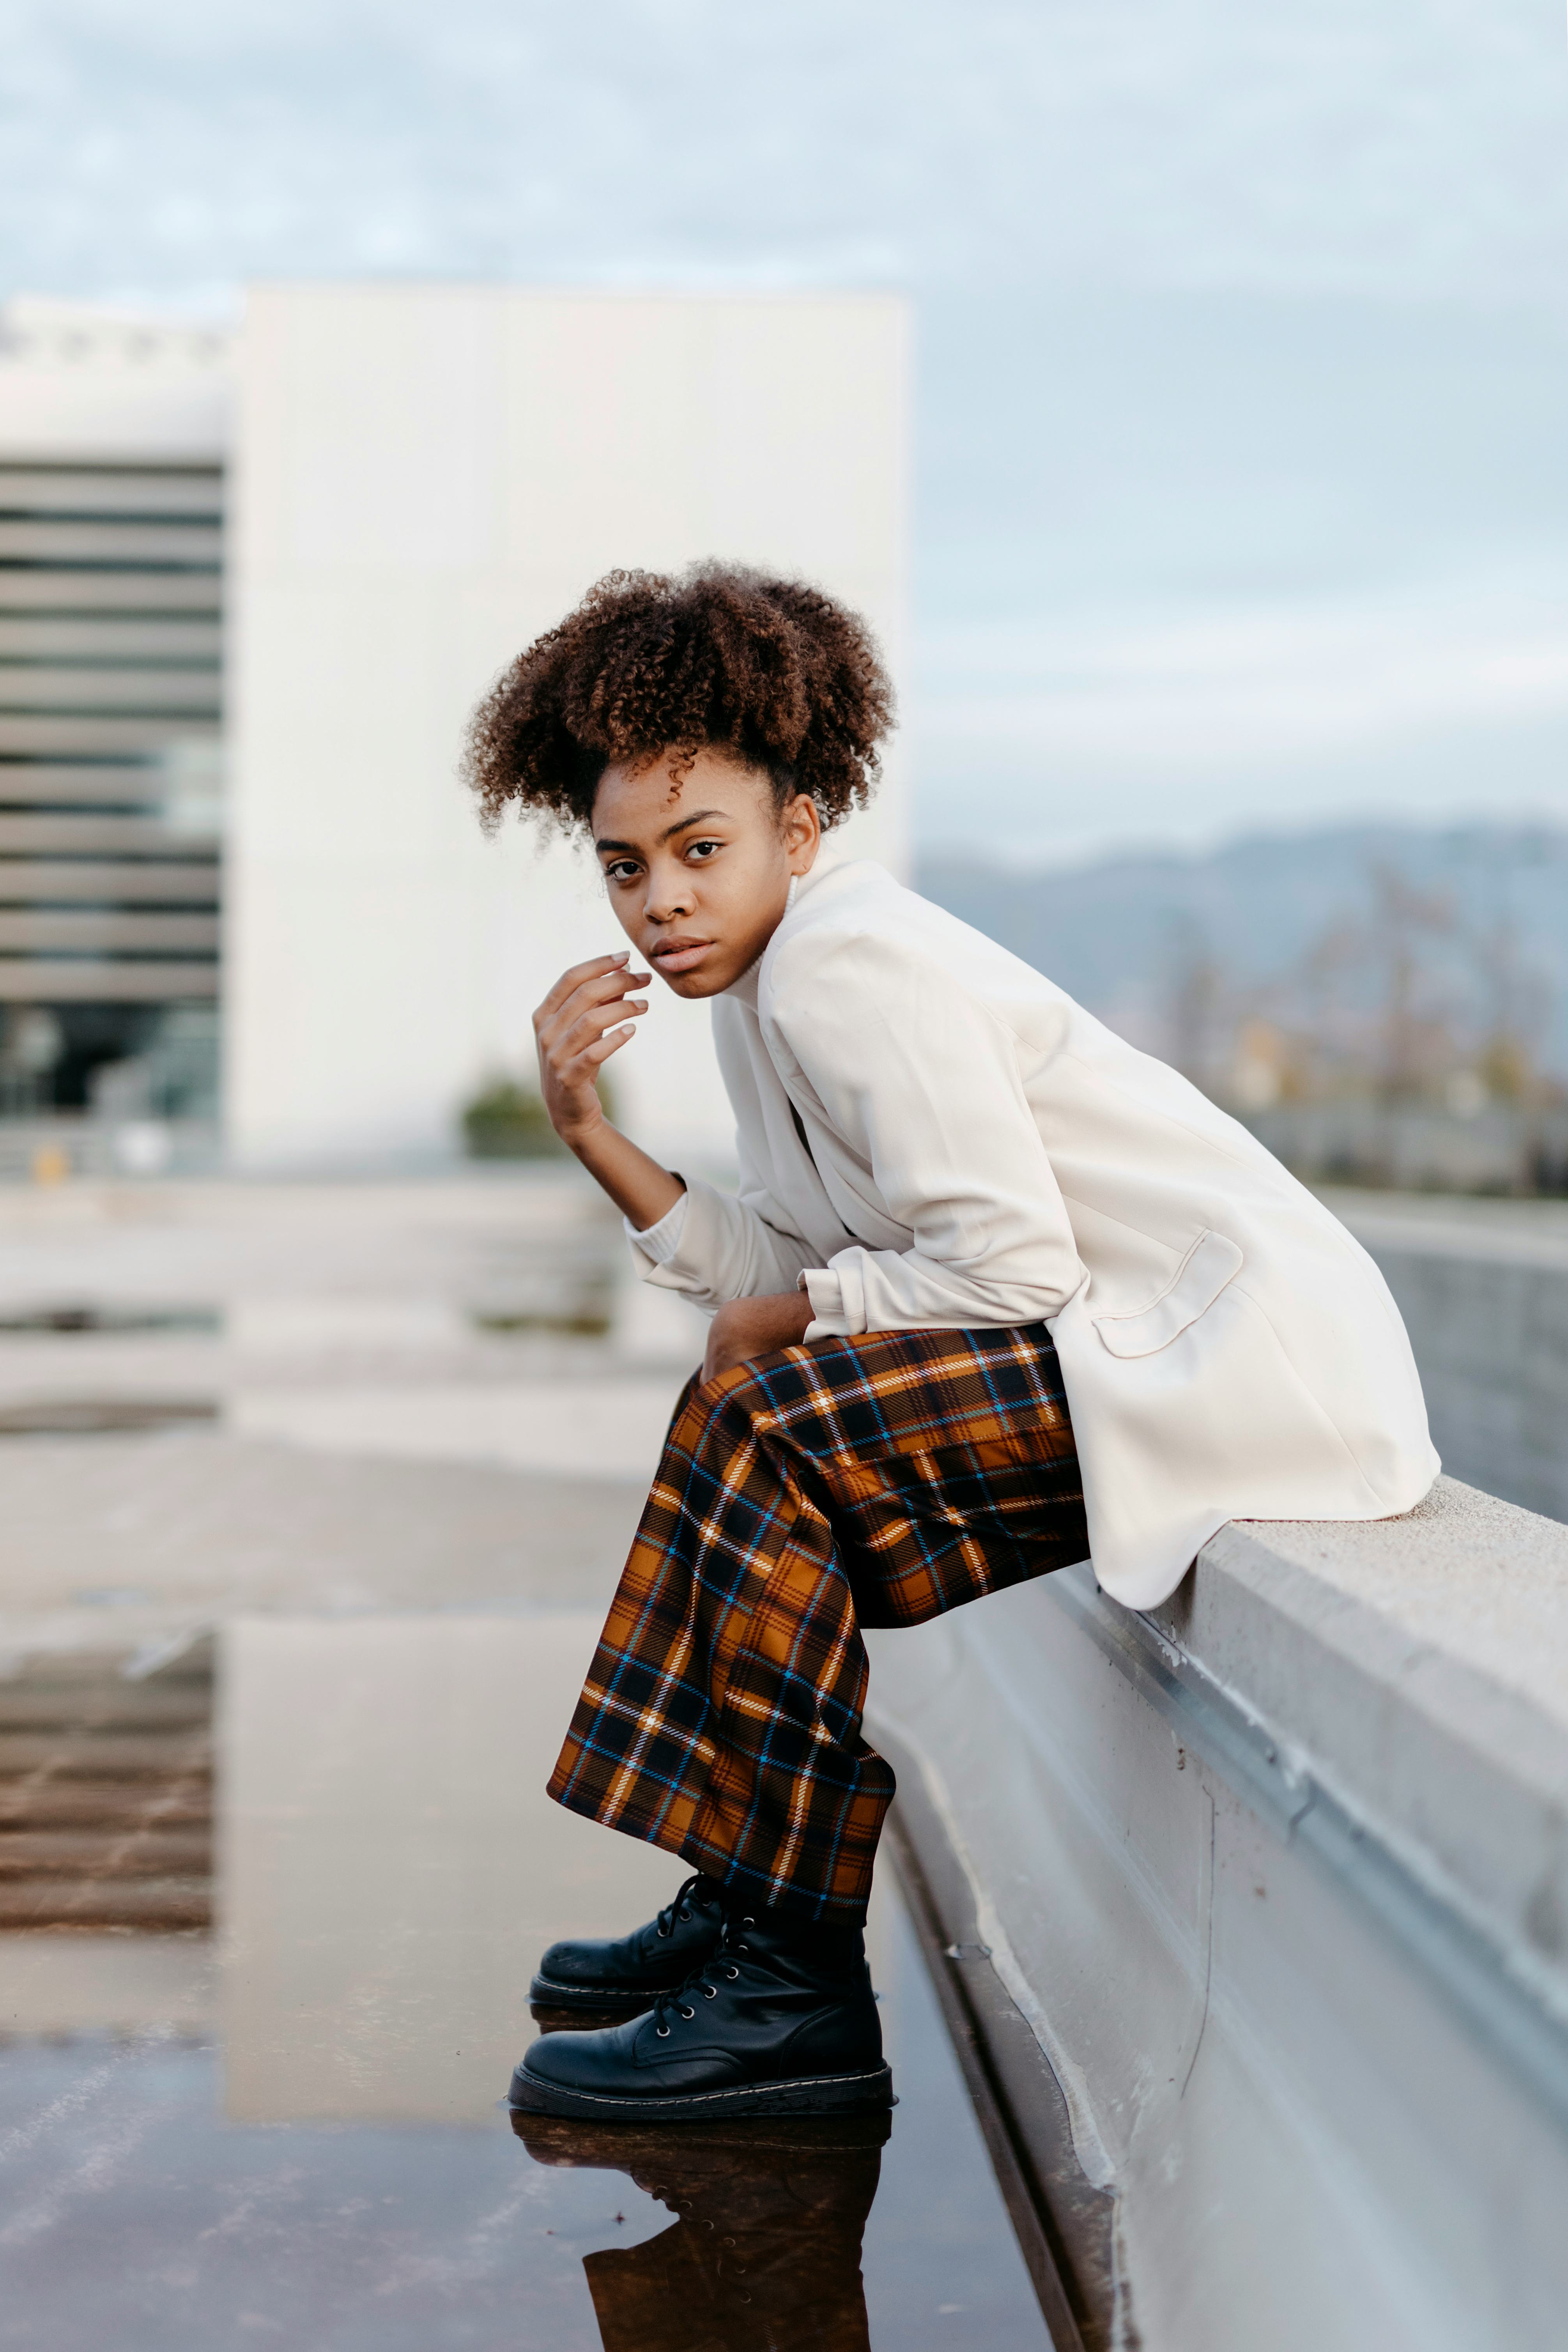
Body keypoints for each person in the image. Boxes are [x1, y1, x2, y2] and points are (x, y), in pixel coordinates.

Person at [466, 564, 1437, 2124]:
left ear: (801, 825)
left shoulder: (854, 965)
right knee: (754, 1395)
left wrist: (782, 1321)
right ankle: (751, 1895)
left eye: (701, 849)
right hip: (1117, 1349)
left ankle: (789, 1977)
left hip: (1237, 1363)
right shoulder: (759, 994)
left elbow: (998, 1263)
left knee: (765, 1414)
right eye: (625, 866)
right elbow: (796, 1255)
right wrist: (590, 1132)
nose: (661, 901)